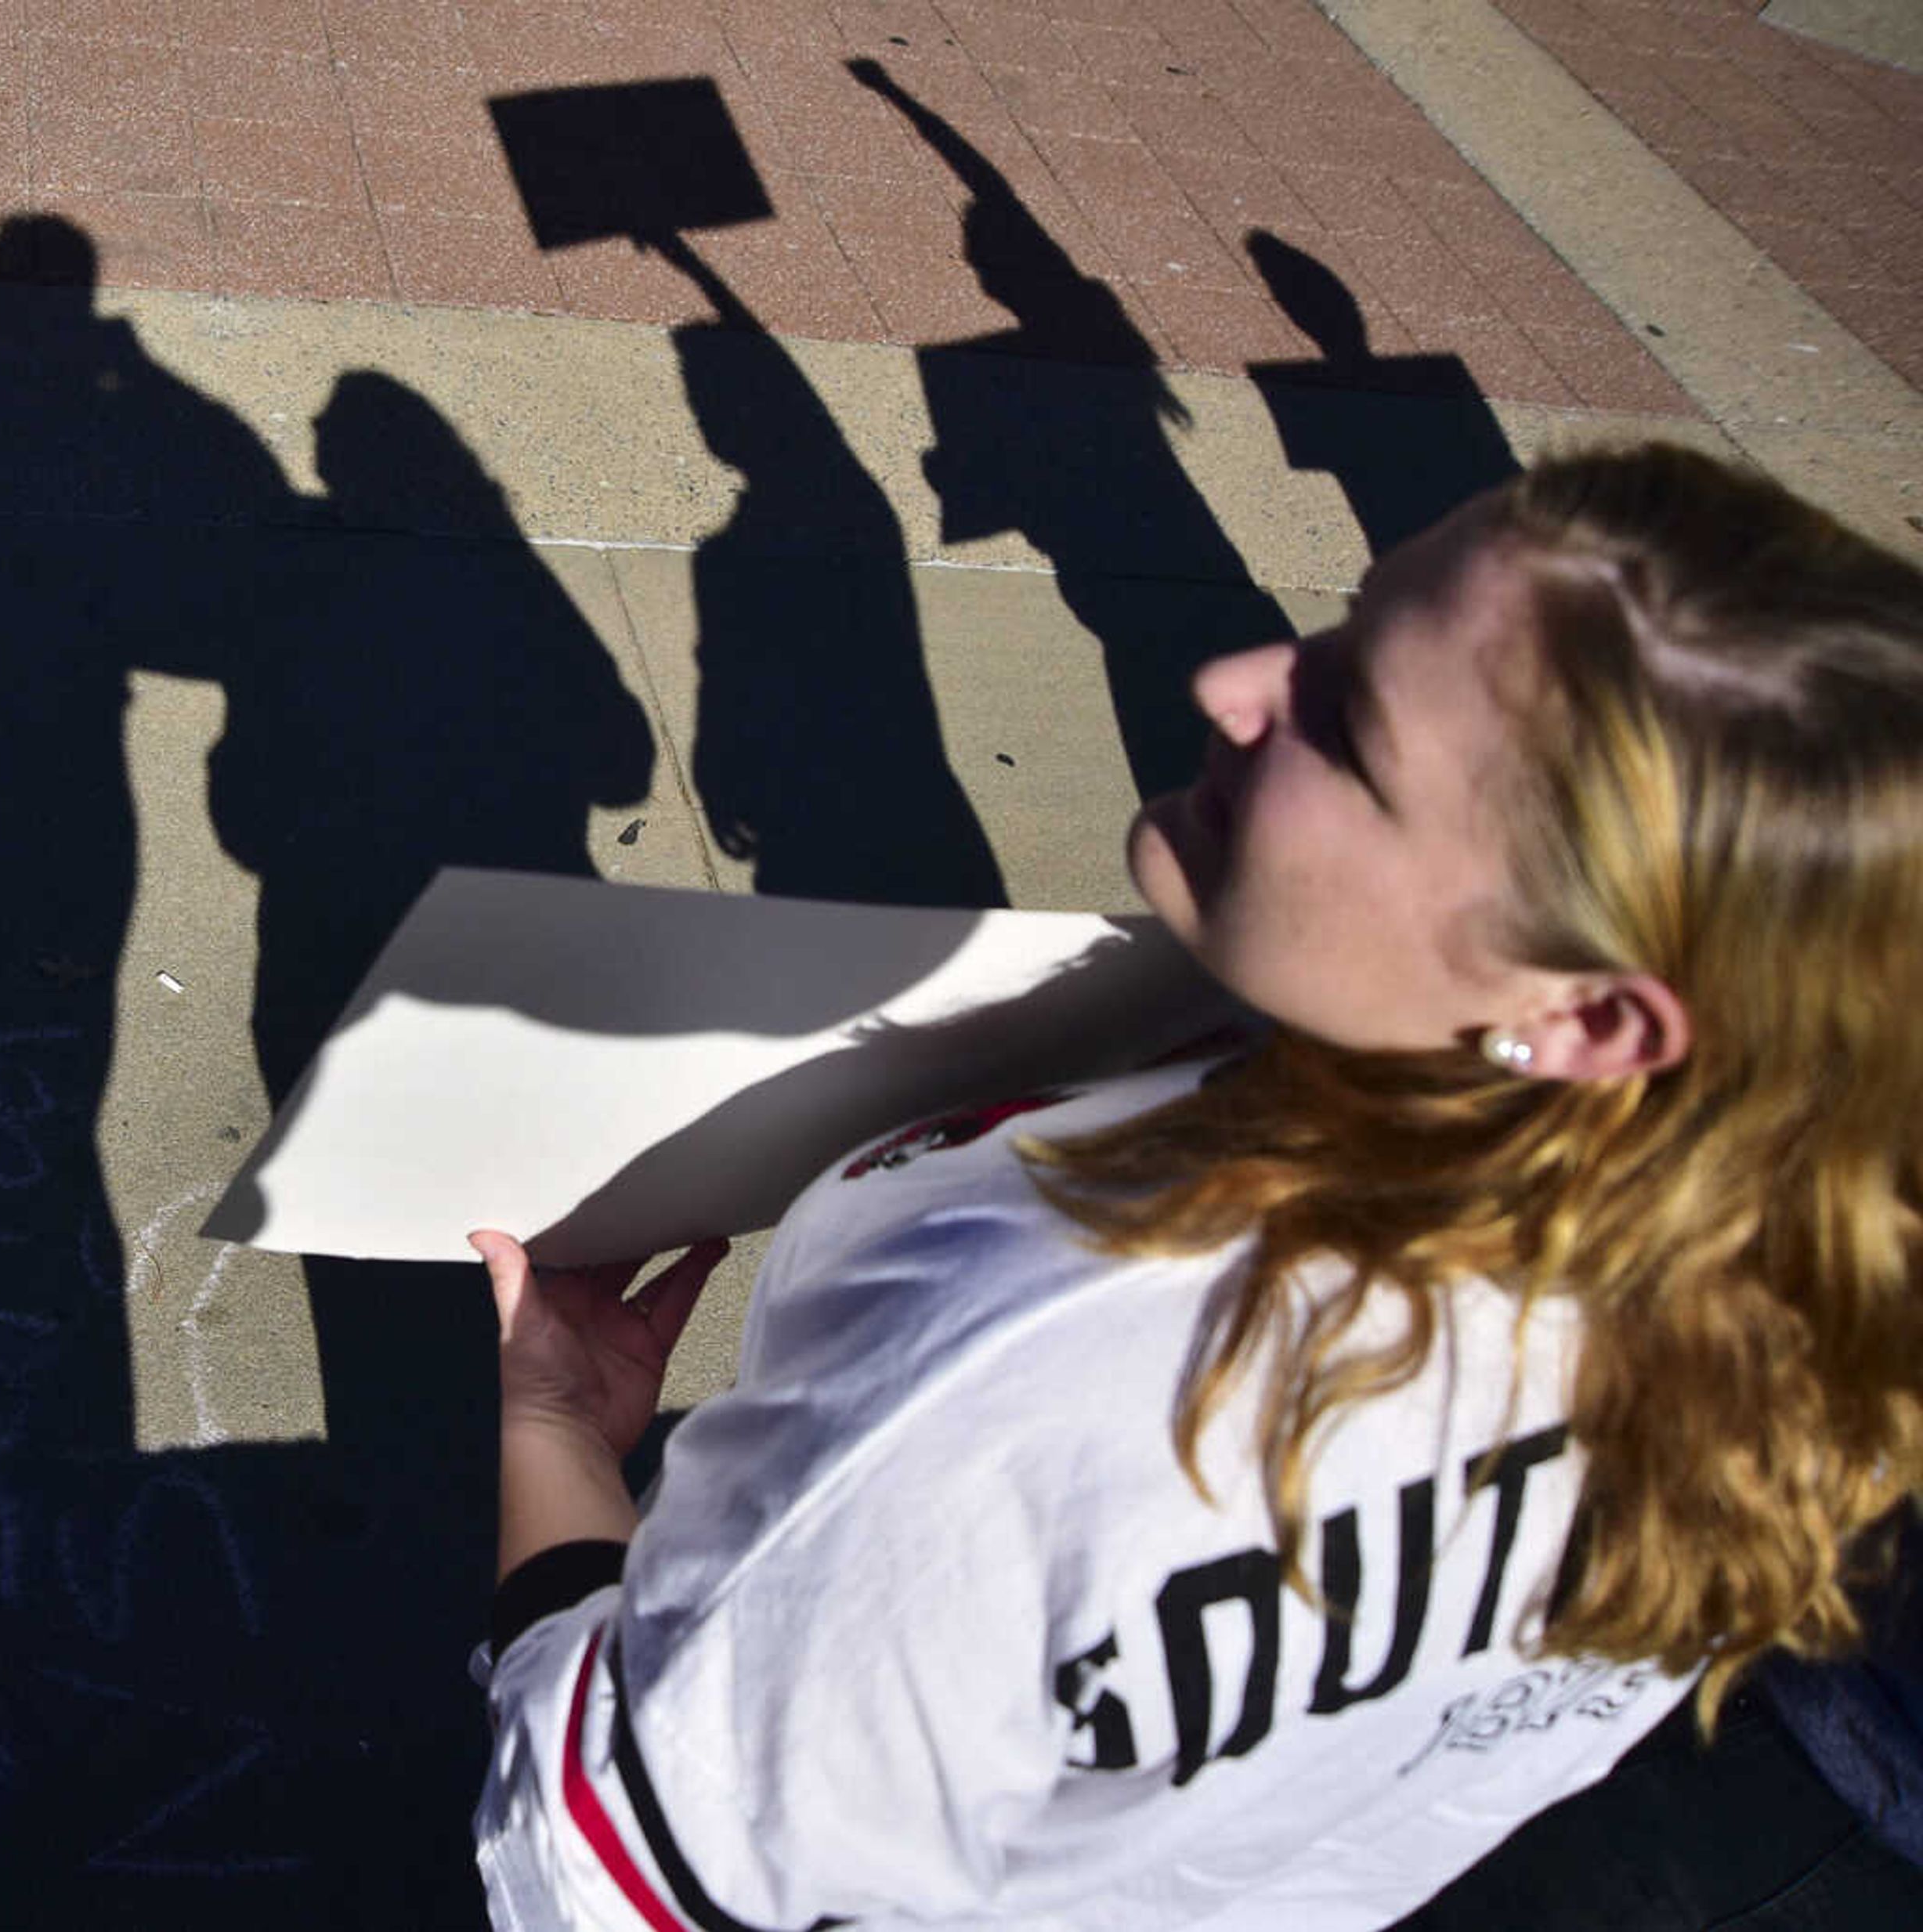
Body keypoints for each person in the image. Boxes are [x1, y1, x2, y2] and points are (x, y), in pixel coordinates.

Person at [466, 445, 1923, 1930]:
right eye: (1342, 628)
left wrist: (556, 1432)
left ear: (1592, 1022)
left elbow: (590, 1873)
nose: (1236, 684)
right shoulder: (1815, 1310)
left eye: (1346, 729)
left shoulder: (1058, 1357)